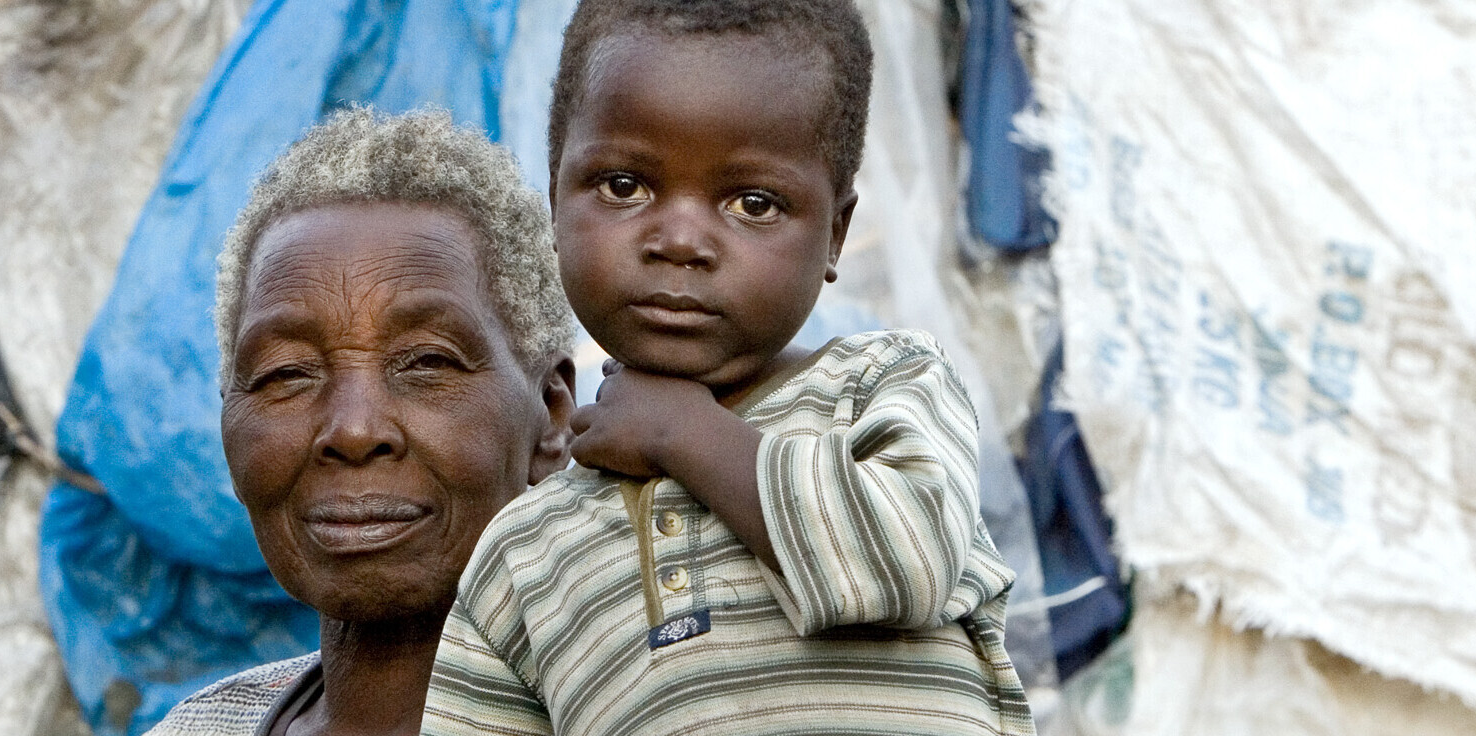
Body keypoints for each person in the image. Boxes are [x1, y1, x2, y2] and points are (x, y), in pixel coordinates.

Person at [422, 0, 1032, 734]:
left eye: (753, 203)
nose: (679, 240)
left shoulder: (881, 387)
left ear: (834, 235)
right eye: (623, 186)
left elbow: (908, 558)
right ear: (555, 197)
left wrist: (685, 435)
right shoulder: (524, 551)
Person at [146, 108, 579, 735]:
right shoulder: (201, 727)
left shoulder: (647, 715)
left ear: (551, 413)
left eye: (427, 362)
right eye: (285, 373)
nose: (352, 431)